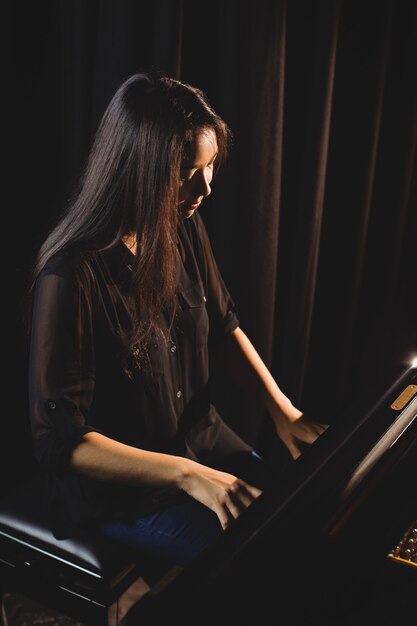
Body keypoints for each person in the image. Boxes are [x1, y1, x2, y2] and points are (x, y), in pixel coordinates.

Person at [27, 71, 327, 567]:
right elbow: (61, 442)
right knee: (259, 559)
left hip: (203, 446)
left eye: (209, 167)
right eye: (189, 170)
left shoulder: (181, 226)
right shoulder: (70, 276)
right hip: (126, 494)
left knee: (306, 510)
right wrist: (188, 475)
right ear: (140, 168)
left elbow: (224, 325)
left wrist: (283, 411)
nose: (206, 186)